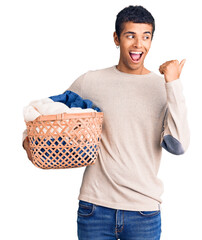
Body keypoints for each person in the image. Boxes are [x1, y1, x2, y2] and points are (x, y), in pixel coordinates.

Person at [23, 5, 190, 240]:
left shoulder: (161, 87)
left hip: (144, 211)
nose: (138, 44)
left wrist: (173, 84)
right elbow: (49, 113)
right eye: (130, 35)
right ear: (116, 38)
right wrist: (27, 139)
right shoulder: (90, 81)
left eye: (146, 36)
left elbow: (178, 145)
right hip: (95, 208)